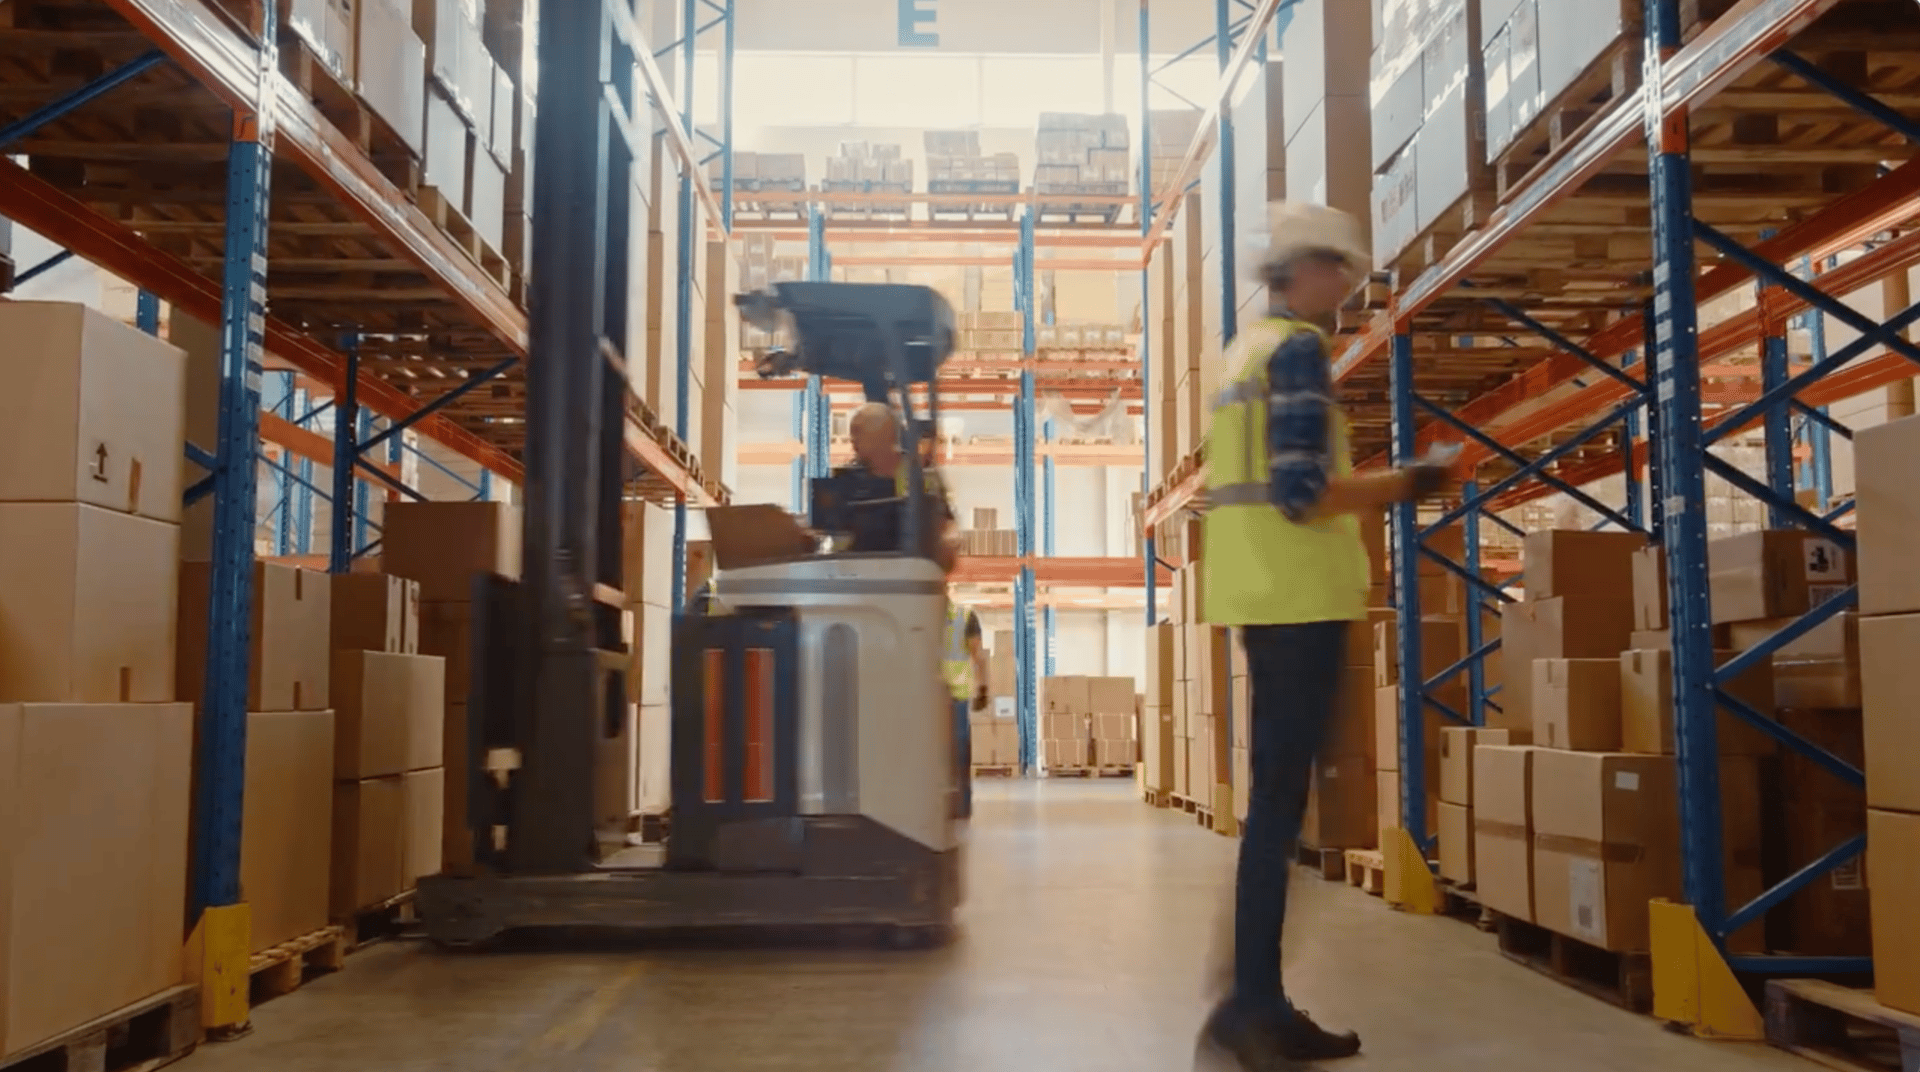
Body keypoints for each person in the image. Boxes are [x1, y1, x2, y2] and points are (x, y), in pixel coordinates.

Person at [1196, 202, 1454, 1070]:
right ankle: (1252, 1008)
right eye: (1338, 270)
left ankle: (1251, 996)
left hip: (1261, 598)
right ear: (1302, 271)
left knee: (1275, 804)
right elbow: (1304, 490)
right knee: (1277, 809)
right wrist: (1419, 480)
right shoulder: (1297, 351)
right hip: (1297, 600)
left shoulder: (1245, 353)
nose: (1348, 288)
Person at [840, 401, 960, 571]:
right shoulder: (847, 479)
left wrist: (945, 543)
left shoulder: (921, 475)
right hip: (860, 579)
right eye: (853, 435)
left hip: (909, 576)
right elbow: (832, 533)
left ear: (886, 437)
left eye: (859, 434)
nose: (853, 442)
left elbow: (945, 528)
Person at [940, 594, 990, 818]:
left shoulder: (964, 616)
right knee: (957, 749)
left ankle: (959, 804)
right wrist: (983, 687)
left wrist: (983, 686)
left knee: (956, 749)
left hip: (949, 693)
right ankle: (957, 804)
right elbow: (978, 655)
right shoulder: (959, 615)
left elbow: (977, 655)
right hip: (940, 693)